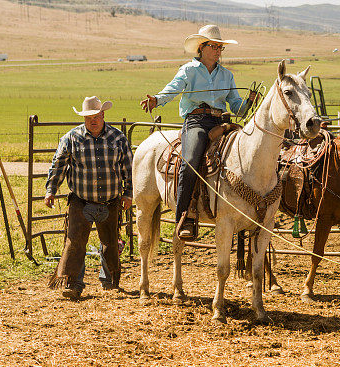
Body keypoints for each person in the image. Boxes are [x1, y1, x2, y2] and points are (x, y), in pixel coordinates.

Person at [140, 24, 255, 240]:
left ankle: (241, 208)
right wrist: (157, 99)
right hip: (196, 121)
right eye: (215, 46)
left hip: (221, 121)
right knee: (191, 160)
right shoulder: (188, 71)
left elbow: (236, 107)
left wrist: (248, 102)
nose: (219, 50)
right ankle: (185, 216)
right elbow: (172, 89)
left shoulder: (227, 76)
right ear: (201, 48)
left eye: (221, 47)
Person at [45, 96, 133, 299]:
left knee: (110, 242)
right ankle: (73, 284)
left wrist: (128, 194)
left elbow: (128, 168)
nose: (93, 120)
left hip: (110, 200)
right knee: (75, 242)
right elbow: (58, 165)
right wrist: (51, 190)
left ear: (103, 114)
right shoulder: (71, 138)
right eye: (88, 117)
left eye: (96, 116)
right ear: (84, 118)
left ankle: (110, 281)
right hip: (80, 199)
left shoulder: (118, 138)